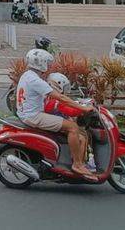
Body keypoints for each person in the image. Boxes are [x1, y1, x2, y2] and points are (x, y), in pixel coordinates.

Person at [15, 49, 96, 179]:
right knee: (73, 127)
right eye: (46, 63)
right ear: (40, 63)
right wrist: (83, 108)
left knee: (74, 130)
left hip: (27, 113)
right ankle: (77, 164)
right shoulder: (36, 81)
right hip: (34, 116)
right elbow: (61, 98)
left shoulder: (27, 75)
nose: (48, 66)